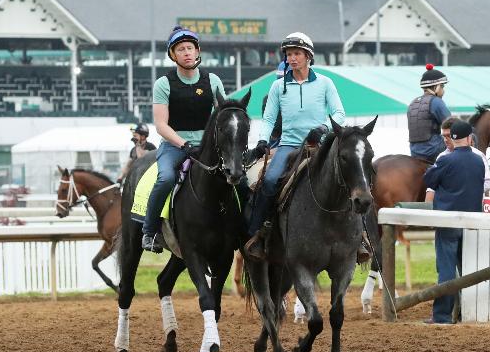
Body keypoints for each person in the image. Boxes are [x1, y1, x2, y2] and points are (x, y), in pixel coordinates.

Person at [243, 32, 345, 260]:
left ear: (308, 56)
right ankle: (259, 232)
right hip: (288, 145)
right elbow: (269, 119)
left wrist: (324, 128)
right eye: (289, 54)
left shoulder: (325, 83)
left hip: (319, 144)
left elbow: (339, 112)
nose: (292, 58)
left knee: (347, 176)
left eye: (297, 53)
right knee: (268, 181)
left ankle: (360, 238)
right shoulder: (278, 87)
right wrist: (262, 140)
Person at [141, 26, 226, 253]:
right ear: (173, 55)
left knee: (238, 178)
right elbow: (160, 125)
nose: (187, 52)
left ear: (197, 51)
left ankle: (246, 226)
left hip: (207, 146)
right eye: (181, 49)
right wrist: (184, 144)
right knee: (166, 178)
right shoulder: (164, 84)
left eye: (190, 48)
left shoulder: (213, 80)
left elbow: (223, 116)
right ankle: (150, 232)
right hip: (174, 146)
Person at [422, 120, 485, 325]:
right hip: (471, 222)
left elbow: (429, 180)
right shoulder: (479, 161)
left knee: (447, 268)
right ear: (469, 138)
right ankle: (468, 313)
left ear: (453, 138)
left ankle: (442, 315)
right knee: (468, 268)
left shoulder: (445, 160)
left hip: (448, 221)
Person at [425, 116, 490, 203]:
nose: (445, 140)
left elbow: (487, 183)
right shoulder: (441, 157)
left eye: (448, 136)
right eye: (443, 136)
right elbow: (432, 187)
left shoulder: (479, 155)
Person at [408, 64, 452, 163]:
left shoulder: (412, 103)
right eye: (442, 86)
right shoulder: (436, 102)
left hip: (414, 151)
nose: (443, 90)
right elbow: (452, 124)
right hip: (433, 149)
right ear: (436, 87)